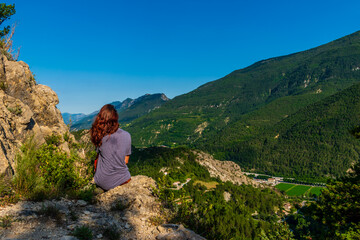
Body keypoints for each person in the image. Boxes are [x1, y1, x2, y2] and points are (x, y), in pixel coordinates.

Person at [90, 104, 132, 191]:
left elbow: (97, 160)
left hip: (102, 181)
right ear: (116, 118)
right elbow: (126, 161)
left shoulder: (100, 136)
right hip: (122, 179)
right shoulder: (127, 135)